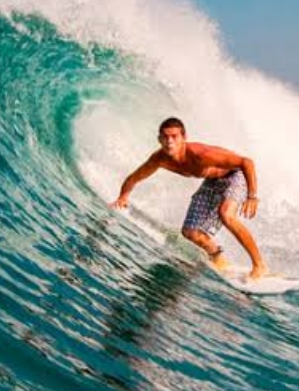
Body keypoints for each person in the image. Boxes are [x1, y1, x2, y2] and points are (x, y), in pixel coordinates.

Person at [109, 117, 268, 280]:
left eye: (174, 136)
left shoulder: (200, 154)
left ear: (184, 138)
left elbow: (246, 162)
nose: (169, 141)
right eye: (165, 137)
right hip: (213, 181)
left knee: (226, 214)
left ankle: (259, 265)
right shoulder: (159, 159)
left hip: (236, 175)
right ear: (159, 139)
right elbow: (134, 177)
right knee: (190, 232)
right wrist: (123, 196)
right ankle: (218, 258)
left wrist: (252, 196)